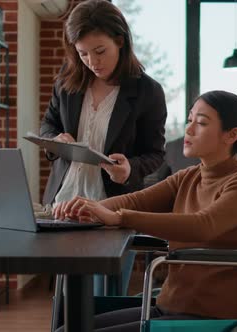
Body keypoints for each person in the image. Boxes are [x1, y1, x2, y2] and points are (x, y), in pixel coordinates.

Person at [54, 90, 237, 332]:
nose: (189, 130)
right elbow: (136, 200)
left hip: (208, 314)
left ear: (232, 135)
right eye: (189, 120)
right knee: (66, 328)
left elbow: (203, 225)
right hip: (171, 305)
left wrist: (120, 218)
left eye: (202, 123)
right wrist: (87, 207)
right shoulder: (190, 176)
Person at [39, 0, 167, 296]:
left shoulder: (147, 91)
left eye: (100, 51)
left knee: (105, 300)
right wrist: (56, 141)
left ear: (120, 41)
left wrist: (129, 169)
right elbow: (48, 124)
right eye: (82, 54)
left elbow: (155, 154)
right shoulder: (67, 81)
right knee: (66, 300)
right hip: (63, 205)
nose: (92, 62)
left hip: (113, 209)